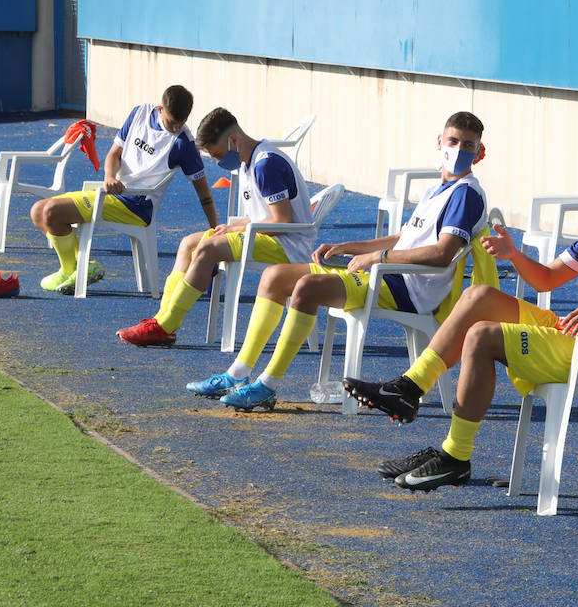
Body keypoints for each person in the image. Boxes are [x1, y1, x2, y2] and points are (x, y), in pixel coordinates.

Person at [344, 141, 578, 491]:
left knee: (482, 336)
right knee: (478, 296)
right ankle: (409, 388)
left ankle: (455, 457)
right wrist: (514, 255)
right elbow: (547, 277)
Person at [186, 111, 491, 412]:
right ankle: (236, 374)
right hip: (389, 273)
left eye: (468, 145)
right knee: (275, 276)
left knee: (307, 287)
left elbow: (442, 255)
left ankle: (267, 386)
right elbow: (403, 238)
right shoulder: (436, 188)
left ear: (479, 153)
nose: (459, 150)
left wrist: (377, 257)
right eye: (454, 141)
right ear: (440, 142)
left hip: (408, 288)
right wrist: (348, 247)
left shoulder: (466, 194)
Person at [115, 107, 317, 347]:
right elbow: (260, 217)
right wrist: (232, 227)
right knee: (189, 243)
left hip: (288, 245)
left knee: (207, 249)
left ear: (233, 140)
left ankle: (166, 325)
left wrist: (235, 230)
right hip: (268, 237)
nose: (219, 161)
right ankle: (162, 321)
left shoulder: (265, 165)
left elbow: (283, 222)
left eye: (219, 155)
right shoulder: (246, 162)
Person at [30, 86, 215, 294]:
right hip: (113, 196)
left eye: (181, 122)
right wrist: (109, 177)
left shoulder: (184, 143)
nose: (176, 127)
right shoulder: (139, 113)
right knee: (38, 211)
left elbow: (205, 193)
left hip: (137, 206)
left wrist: (215, 231)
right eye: (172, 121)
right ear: (160, 108)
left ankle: (75, 269)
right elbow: (113, 155)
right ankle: (74, 268)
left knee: (50, 211)